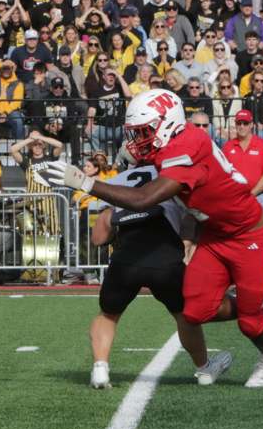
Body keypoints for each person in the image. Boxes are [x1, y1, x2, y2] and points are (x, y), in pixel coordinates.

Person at [47, 89, 263, 388]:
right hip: (215, 236)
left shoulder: (187, 146)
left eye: (144, 132)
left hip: (251, 235)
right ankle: (260, 312)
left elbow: (142, 199)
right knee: (194, 311)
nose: (139, 139)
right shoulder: (172, 142)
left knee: (250, 324)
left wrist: (85, 182)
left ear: (168, 124)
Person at [89, 162, 229, 388]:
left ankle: (100, 369)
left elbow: (99, 236)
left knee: (108, 315)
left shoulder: (117, 180)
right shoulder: (173, 175)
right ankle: (204, 369)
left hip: (127, 258)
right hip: (165, 257)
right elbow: (199, 213)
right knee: (183, 315)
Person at [222, 108, 263, 209]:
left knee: (260, 225)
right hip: (235, 199)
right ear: (235, 124)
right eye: (239, 123)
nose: (242, 126)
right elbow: (223, 174)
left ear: (251, 125)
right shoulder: (228, 146)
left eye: (245, 123)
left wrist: (251, 195)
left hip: (259, 197)